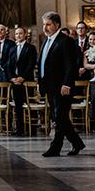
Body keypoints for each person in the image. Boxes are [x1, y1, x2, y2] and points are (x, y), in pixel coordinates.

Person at [38, 11, 85, 157]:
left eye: (48, 24)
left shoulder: (66, 41)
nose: (45, 27)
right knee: (60, 117)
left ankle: (55, 147)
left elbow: (70, 65)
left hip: (62, 86)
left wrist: (67, 84)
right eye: (44, 24)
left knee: (59, 117)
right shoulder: (46, 40)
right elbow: (43, 63)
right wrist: (41, 84)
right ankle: (77, 143)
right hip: (49, 86)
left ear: (57, 24)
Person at [6, 27, 37, 136]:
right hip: (15, 82)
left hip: (27, 81)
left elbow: (31, 64)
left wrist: (22, 77)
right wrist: (12, 78)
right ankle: (19, 130)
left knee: (30, 105)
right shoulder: (12, 49)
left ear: (24, 35)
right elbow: (9, 66)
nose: (18, 35)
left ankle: (32, 129)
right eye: (17, 34)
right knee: (18, 106)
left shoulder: (30, 48)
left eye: (20, 33)